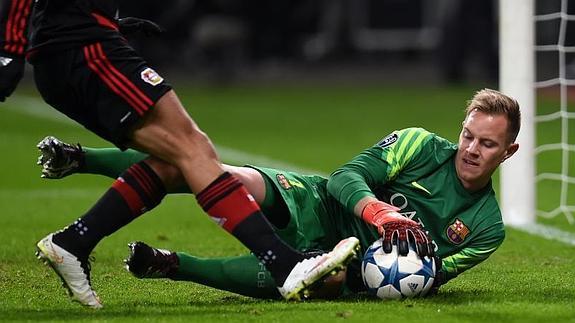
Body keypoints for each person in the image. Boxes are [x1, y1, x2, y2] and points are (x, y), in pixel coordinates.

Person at [0, 0, 417, 308]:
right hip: (83, 50)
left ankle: (74, 241)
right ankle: (284, 265)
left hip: (87, 42)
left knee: (180, 156)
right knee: (194, 149)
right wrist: (11, 47)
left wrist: (108, 19)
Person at [37, 88, 520, 299]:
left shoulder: (486, 229)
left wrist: (369, 270)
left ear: (509, 151)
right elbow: (343, 178)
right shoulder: (418, 144)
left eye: (488, 143)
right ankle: (81, 158)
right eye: (468, 135)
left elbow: (429, 276)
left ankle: (172, 265)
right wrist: (378, 213)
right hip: (317, 202)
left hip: (345, 260)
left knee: (316, 281)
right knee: (219, 173)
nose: (472, 149)